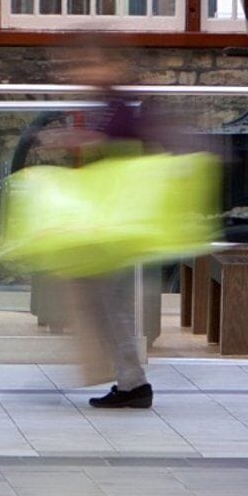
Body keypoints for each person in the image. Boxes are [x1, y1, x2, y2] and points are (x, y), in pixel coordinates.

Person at [51, 46, 165, 411]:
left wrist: (79, 142)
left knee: (112, 302)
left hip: (116, 220)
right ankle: (129, 380)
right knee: (107, 301)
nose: (82, 72)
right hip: (109, 218)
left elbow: (124, 156)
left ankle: (133, 383)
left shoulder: (120, 109)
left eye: (89, 62)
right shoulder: (110, 106)